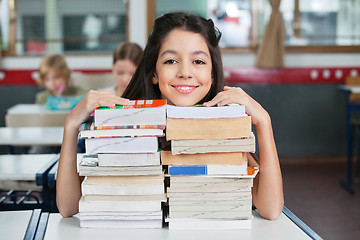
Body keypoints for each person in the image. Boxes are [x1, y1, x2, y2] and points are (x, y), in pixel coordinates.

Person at [57, 12, 284, 220]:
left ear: (212, 73)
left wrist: (264, 121)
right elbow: (68, 207)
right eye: (171, 61)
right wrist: (70, 126)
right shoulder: (123, 124)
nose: (185, 72)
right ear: (154, 72)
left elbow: (271, 209)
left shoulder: (223, 127)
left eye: (198, 61)